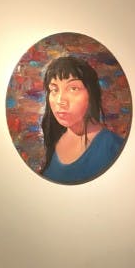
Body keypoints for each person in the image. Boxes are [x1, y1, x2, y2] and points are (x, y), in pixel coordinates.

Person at [41, 55, 125, 184]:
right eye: (54, 90)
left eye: (73, 88)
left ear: (91, 94)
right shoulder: (54, 138)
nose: (60, 101)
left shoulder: (113, 147)